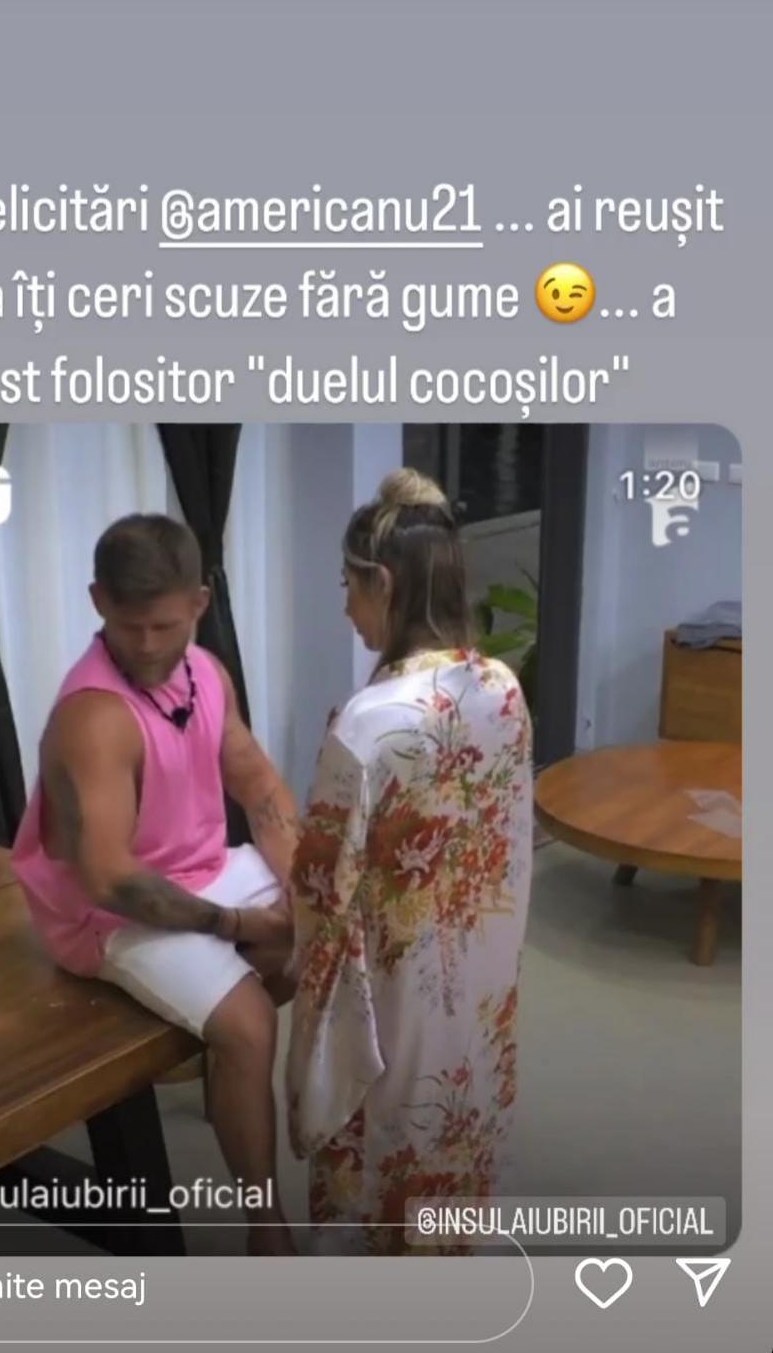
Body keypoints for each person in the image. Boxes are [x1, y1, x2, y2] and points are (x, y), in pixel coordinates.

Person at [12, 514, 299, 1255]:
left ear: (199, 603)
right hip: (107, 913)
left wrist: (303, 893)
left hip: (201, 870)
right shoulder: (94, 716)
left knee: (333, 935)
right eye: (128, 625)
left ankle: (229, 1068)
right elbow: (110, 878)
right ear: (97, 600)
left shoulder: (206, 672)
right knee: (250, 1026)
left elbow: (259, 785)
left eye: (164, 625)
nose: (145, 645)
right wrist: (239, 926)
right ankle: (266, 1225)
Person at [286, 469, 533, 1254]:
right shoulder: (502, 687)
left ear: (383, 584)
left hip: (395, 987)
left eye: (349, 586)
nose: (346, 606)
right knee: (460, 1108)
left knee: (392, 1126)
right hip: (480, 971)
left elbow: (321, 888)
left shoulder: (368, 721)